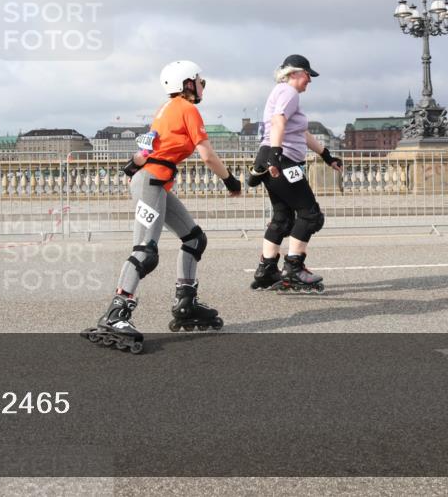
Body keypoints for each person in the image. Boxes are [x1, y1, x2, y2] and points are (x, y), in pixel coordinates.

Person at [82, 60, 242, 353]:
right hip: (152, 182)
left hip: (154, 180)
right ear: (187, 84)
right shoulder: (188, 108)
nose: (203, 85)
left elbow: (145, 150)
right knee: (145, 251)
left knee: (194, 238)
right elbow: (206, 154)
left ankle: (186, 303)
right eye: (199, 80)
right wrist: (231, 180)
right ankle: (116, 312)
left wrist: (134, 168)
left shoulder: (163, 110)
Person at [247, 54, 342, 293]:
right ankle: (294, 269)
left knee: (283, 217)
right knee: (310, 215)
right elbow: (278, 121)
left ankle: (266, 270)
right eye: (308, 74)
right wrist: (277, 156)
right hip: (282, 160)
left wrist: (327, 155)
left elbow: (302, 134)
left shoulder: (280, 92)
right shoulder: (288, 92)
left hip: (270, 158)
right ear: (294, 73)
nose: (310, 79)